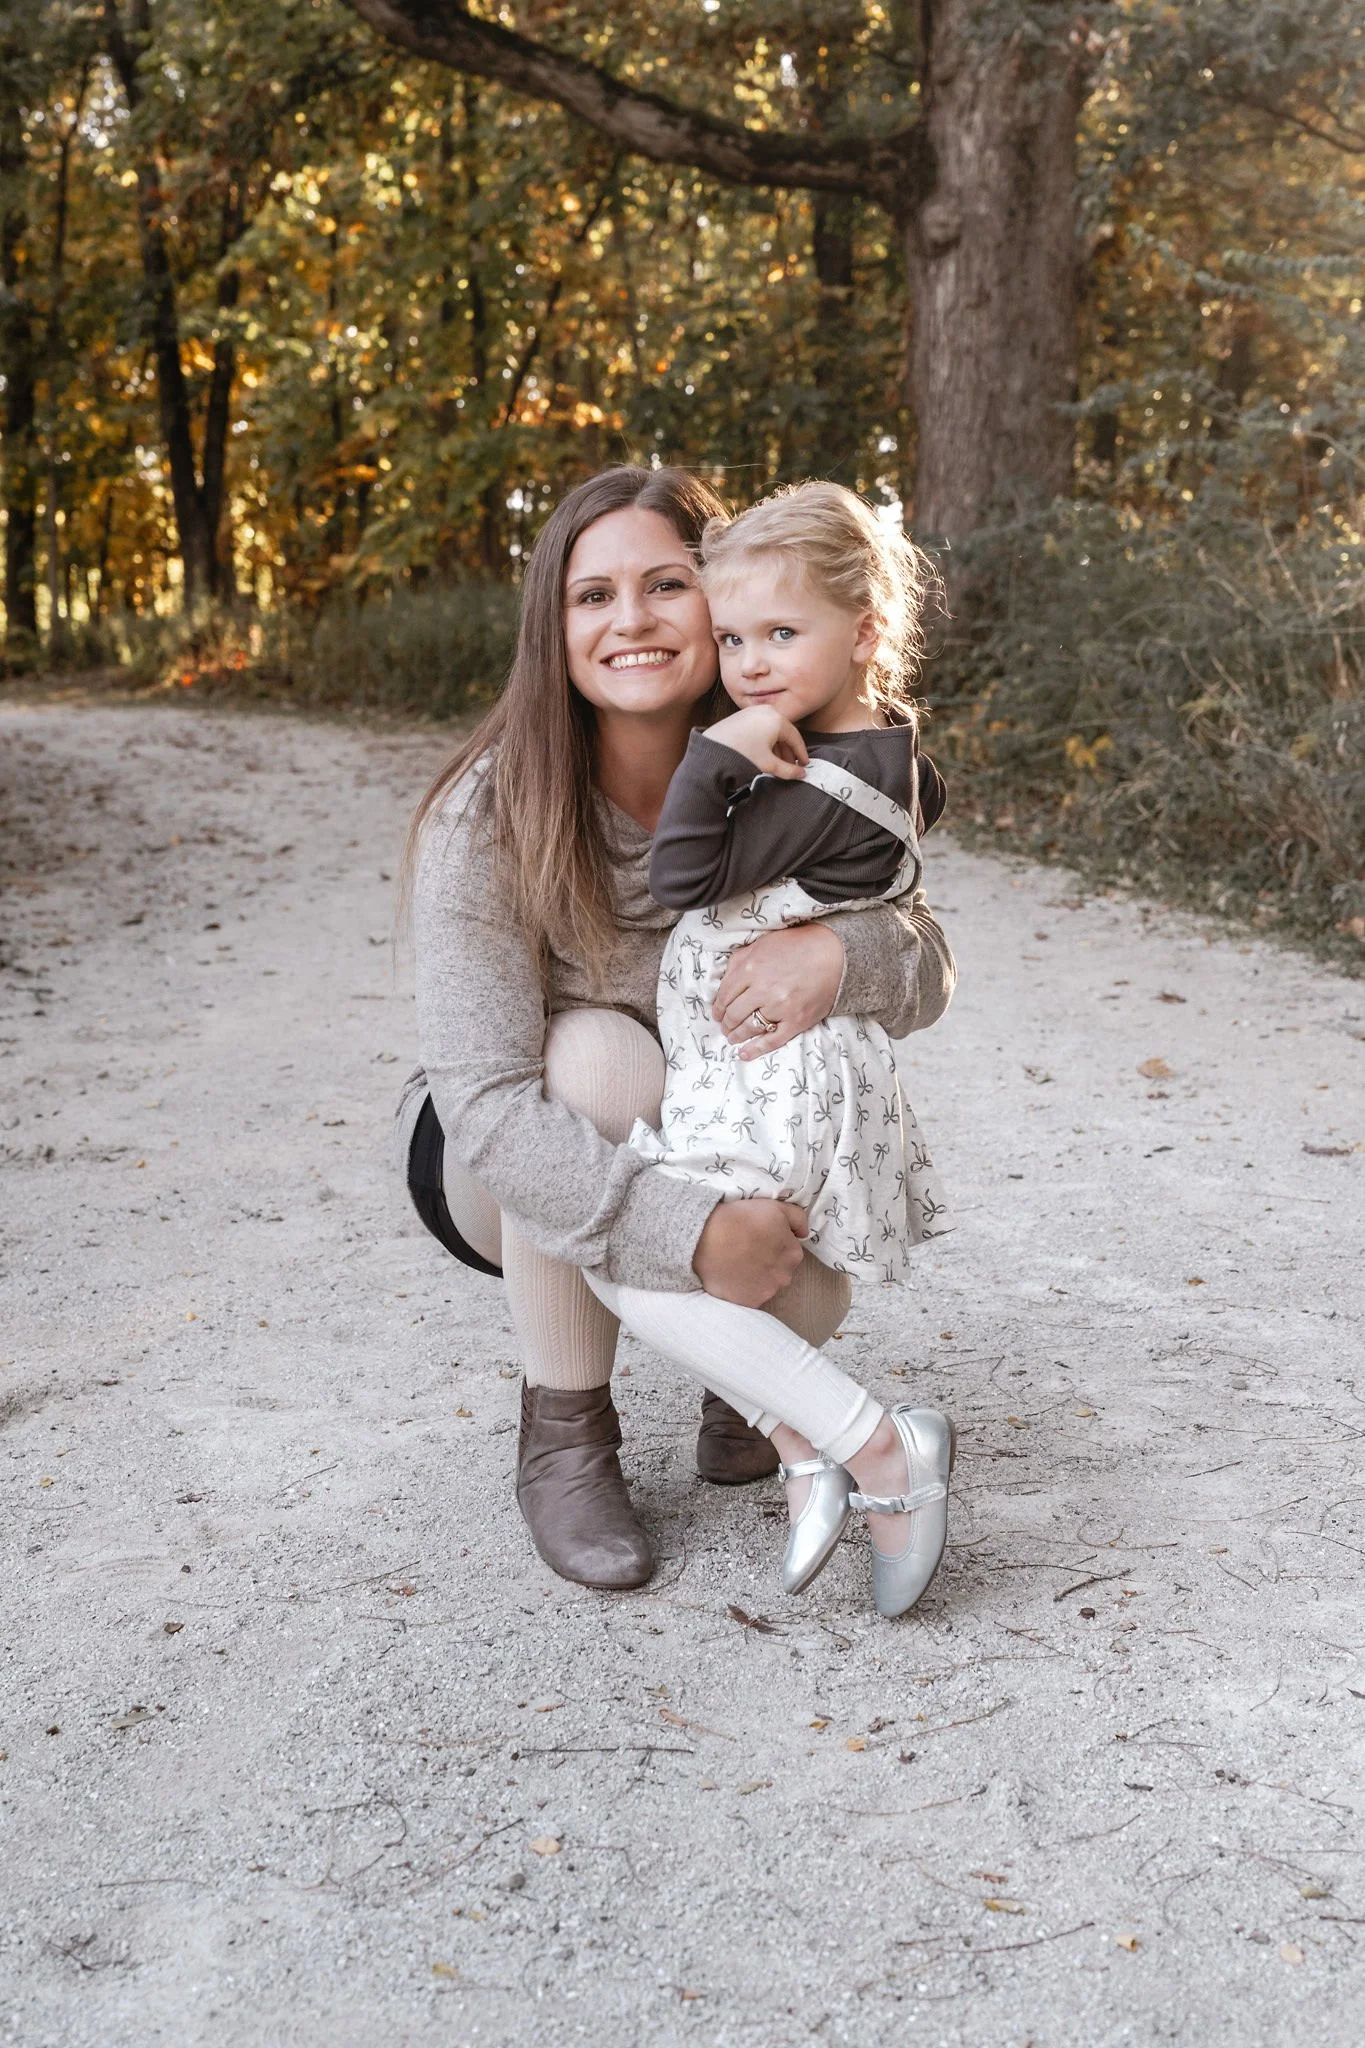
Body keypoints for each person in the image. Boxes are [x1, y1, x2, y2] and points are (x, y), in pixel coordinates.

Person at [398, 465, 956, 1593]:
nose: (634, 620)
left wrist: (842, 953)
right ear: (551, 625)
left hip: (706, 1122)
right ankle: (566, 1429)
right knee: (600, 1055)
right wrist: (691, 1233)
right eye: (592, 595)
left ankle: (750, 1397)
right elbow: (492, 1105)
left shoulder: (804, 760)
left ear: (723, 598)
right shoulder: (494, 812)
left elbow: (929, 967)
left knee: (804, 1268)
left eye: (665, 584)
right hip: (501, 1152)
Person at [581, 483, 958, 1617]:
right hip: (761, 1066)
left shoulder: (804, 778)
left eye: (780, 635)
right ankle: (802, 1445)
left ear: (867, 632)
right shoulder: (883, 757)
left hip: (778, 1071)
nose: (748, 664)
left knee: (628, 1251)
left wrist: (718, 755)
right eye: (734, 637)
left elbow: (682, 876)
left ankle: (876, 1448)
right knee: (661, 1248)